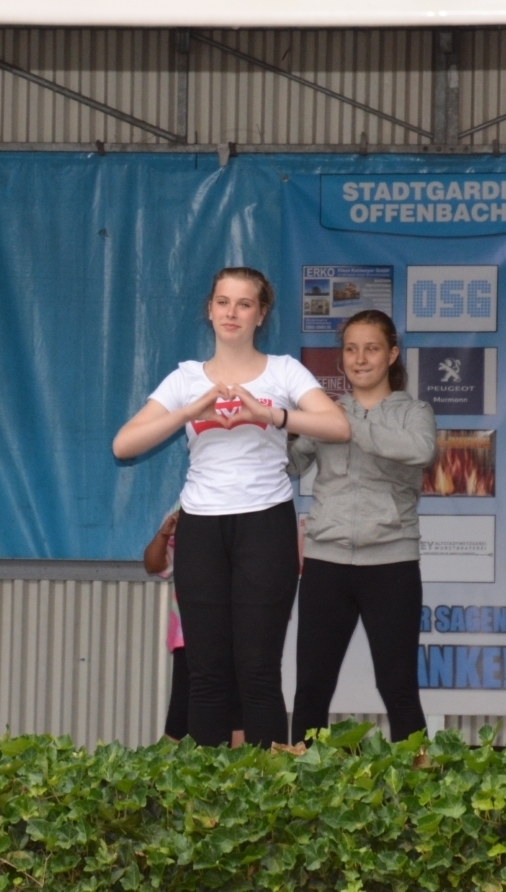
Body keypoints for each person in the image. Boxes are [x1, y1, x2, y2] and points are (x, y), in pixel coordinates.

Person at [113, 267, 349, 747]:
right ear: (210, 310)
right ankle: (208, 789)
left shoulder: (283, 370)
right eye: (223, 302)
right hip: (201, 527)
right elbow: (124, 444)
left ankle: (266, 785)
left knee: (258, 669)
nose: (232, 313)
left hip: (266, 525)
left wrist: (271, 414)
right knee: (206, 671)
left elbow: (338, 426)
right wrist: (187, 411)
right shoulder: (185, 378)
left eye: (244, 304)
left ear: (261, 314)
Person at [287, 310, 435, 743]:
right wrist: (270, 429)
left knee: (398, 687)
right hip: (325, 562)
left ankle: (418, 780)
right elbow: (290, 465)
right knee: (311, 687)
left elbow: (420, 450)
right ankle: (303, 779)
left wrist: (343, 424)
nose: (360, 358)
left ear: (392, 354)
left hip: (392, 564)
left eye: (371, 348)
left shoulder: (415, 412)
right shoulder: (326, 413)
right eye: (351, 349)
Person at [143, 506, 244, 747]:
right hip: (190, 632)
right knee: (180, 719)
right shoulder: (185, 505)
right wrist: (164, 535)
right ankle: (162, 771)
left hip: (240, 631)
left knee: (238, 717)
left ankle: (241, 770)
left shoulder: (251, 504)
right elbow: (153, 565)